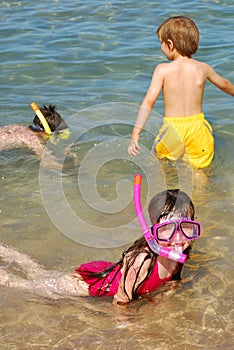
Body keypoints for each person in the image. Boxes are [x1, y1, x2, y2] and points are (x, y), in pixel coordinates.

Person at [0, 189, 201, 305]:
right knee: (32, 287)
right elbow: (120, 303)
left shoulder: (182, 252)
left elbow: (172, 281)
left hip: (111, 272)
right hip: (93, 283)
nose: (178, 238)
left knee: (39, 273)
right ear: (152, 232)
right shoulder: (142, 260)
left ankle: (6, 251)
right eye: (167, 230)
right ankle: (5, 272)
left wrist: (165, 297)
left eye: (187, 228)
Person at [128, 16, 234, 169]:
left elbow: (149, 102)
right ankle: (200, 193)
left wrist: (135, 133)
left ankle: (167, 191)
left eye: (161, 43)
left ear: (170, 44)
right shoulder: (203, 68)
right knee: (199, 174)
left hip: (172, 129)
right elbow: (225, 85)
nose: (161, 48)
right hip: (198, 129)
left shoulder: (163, 70)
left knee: (162, 166)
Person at [0, 104, 69, 168]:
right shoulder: (33, 139)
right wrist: (71, 168)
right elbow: (48, 162)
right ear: (46, 132)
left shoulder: (17, 126)